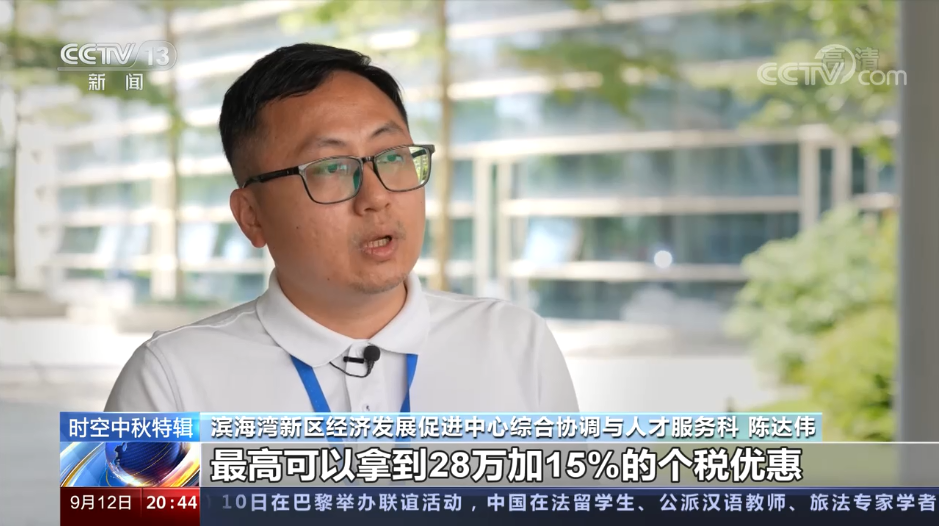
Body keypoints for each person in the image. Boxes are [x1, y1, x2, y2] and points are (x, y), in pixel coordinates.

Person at [105, 43, 579, 414]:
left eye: (392, 156)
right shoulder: (169, 380)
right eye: (331, 168)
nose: (376, 197)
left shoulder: (515, 343)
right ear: (251, 216)